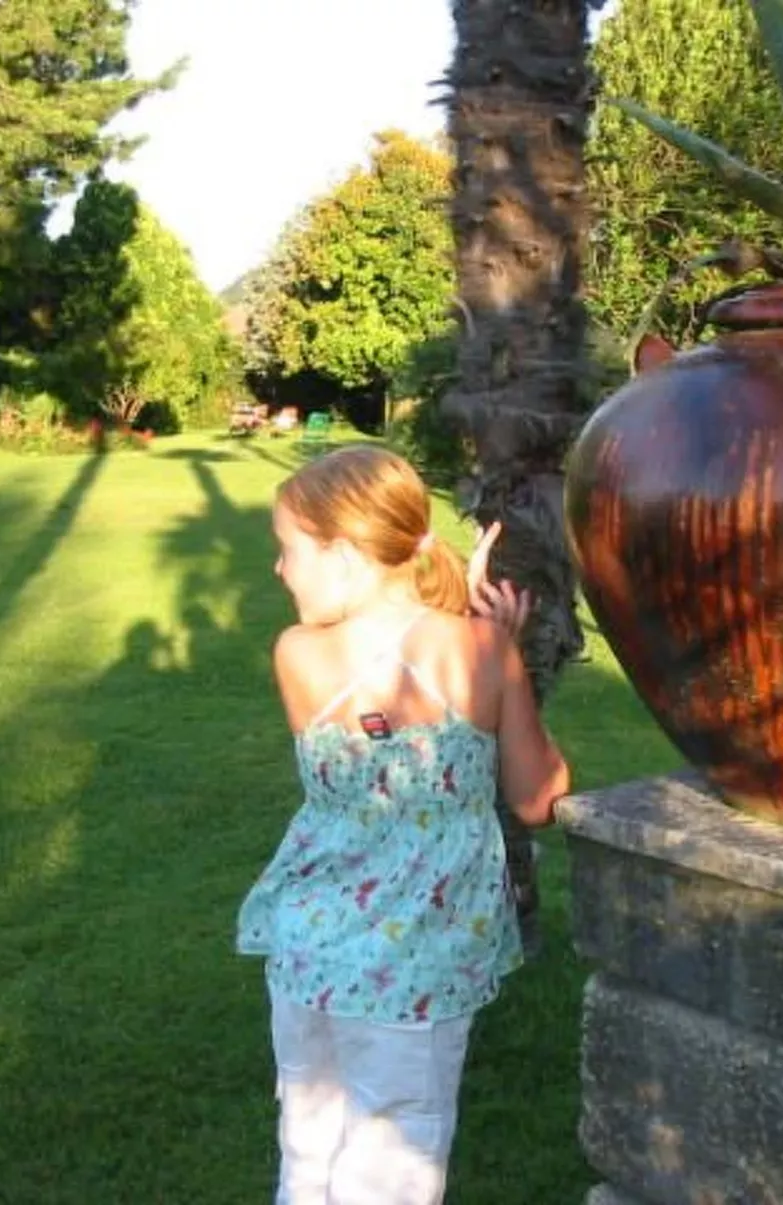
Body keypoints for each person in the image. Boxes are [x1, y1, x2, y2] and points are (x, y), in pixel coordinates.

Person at [236, 445, 571, 1205]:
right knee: (391, 1166)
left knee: (308, 1148)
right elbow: (538, 798)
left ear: (347, 552)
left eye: (289, 550)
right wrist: (505, 654)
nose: (280, 571)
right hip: (417, 962)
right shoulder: (480, 648)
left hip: (308, 953)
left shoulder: (296, 655)